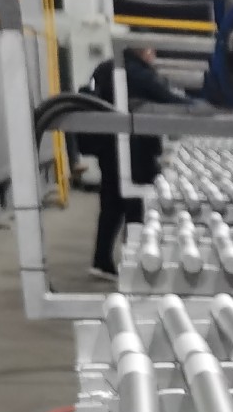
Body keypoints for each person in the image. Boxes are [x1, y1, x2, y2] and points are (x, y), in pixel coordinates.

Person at [76, 48, 185, 280]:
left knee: (111, 206)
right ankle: (136, 265)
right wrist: (207, 106)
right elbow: (170, 99)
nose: (154, 55)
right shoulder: (136, 72)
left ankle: (102, 261)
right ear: (143, 50)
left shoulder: (105, 67)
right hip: (134, 152)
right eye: (151, 50)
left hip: (108, 149)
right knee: (137, 207)